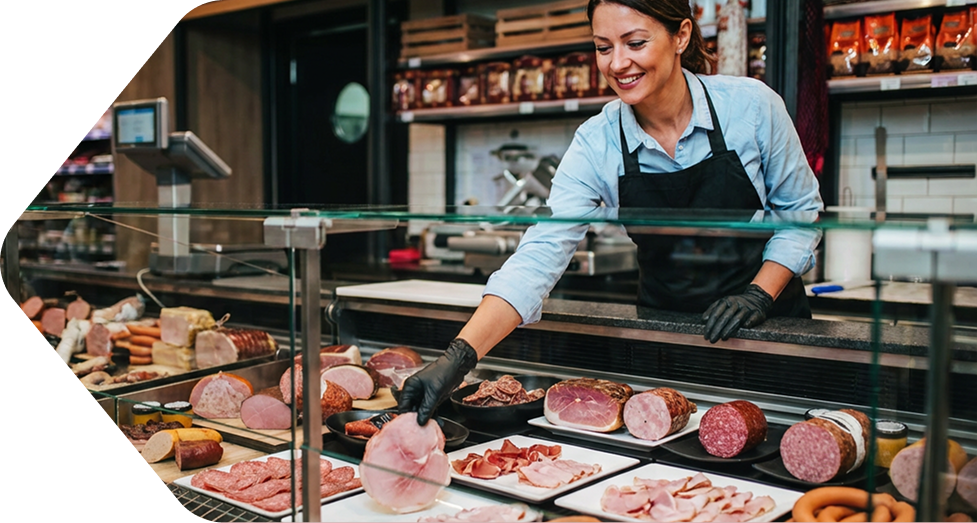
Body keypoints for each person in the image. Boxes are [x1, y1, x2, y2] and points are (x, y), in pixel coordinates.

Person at [398, 0, 824, 426]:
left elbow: (800, 213)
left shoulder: (751, 108)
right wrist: (458, 357)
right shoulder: (597, 142)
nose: (619, 63)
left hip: (769, 333)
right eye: (604, 48)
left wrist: (758, 294)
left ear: (681, 36)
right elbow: (539, 255)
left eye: (635, 42)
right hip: (666, 339)